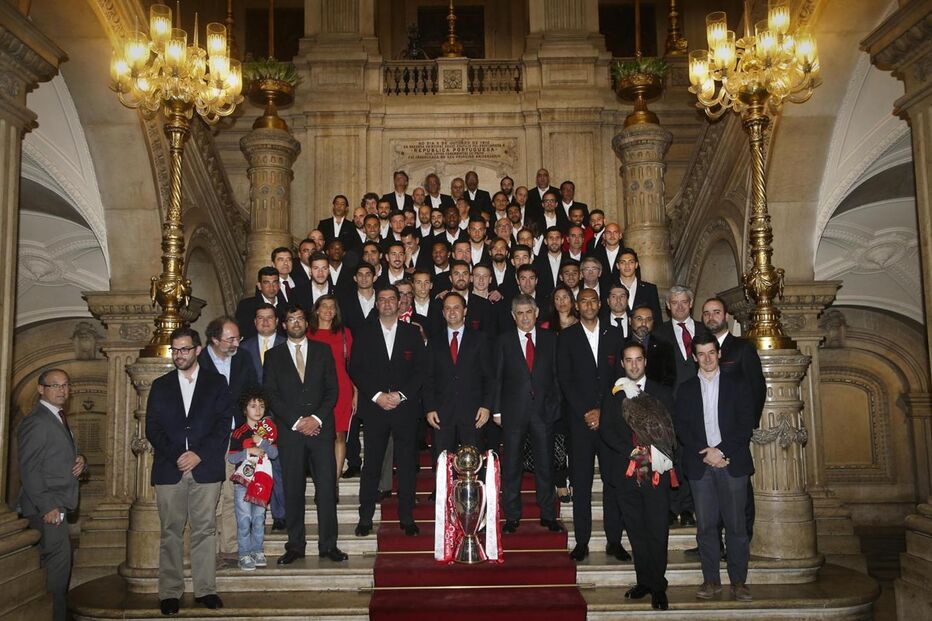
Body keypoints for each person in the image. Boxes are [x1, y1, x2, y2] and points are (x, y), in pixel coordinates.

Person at [146, 327, 233, 614]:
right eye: (175, 350)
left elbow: (223, 425)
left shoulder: (216, 383)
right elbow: (152, 429)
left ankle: (205, 589)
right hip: (169, 469)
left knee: (205, 530)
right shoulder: (160, 385)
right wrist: (178, 455)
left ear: (197, 350)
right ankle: (170, 592)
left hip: (205, 467)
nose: (179, 355)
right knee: (171, 531)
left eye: (184, 349)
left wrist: (198, 454)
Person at [674, 333, 755, 602]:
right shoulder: (684, 390)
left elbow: (745, 425)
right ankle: (711, 581)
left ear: (719, 354)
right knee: (706, 528)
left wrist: (720, 451)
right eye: (702, 354)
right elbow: (682, 429)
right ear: (694, 357)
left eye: (712, 353)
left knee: (736, 527)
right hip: (701, 466)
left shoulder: (738, 384)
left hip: (731, 463)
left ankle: (739, 581)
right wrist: (707, 454)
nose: (707, 359)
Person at [263, 305, 346, 565]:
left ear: (305, 323)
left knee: (326, 489)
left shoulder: (322, 351)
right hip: (291, 433)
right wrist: (297, 422)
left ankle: (329, 545)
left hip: (320, 431)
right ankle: (295, 545)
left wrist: (316, 419)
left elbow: (332, 390)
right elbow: (271, 395)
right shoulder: (273, 356)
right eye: (291, 320)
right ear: (283, 325)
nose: (296, 323)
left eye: (300, 319)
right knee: (293, 490)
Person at [600, 342, 676, 610]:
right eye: (628, 360)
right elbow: (607, 430)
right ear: (622, 363)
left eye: (638, 359)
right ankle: (644, 580)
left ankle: (658, 585)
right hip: (626, 472)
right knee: (636, 530)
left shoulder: (662, 392)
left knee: (657, 529)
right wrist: (632, 451)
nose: (634, 365)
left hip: (656, 472)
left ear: (645, 361)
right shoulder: (613, 395)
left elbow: (672, 430)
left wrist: (655, 455)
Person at [350, 285, 427, 537]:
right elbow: (357, 369)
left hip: (404, 409)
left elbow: (420, 370)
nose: (386, 303)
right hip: (375, 409)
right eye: (381, 299)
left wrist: (400, 395)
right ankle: (365, 518)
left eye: (391, 299)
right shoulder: (364, 333)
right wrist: (377, 396)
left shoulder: (412, 333)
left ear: (400, 302)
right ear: (376, 304)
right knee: (371, 464)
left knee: (406, 465)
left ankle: (407, 517)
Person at [557, 288, 626, 562]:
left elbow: (620, 380)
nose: (588, 304)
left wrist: (603, 412)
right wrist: (587, 412)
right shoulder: (567, 337)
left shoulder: (615, 334)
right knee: (582, 483)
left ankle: (614, 540)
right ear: (577, 305)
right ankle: (582, 541)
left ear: (600, 304)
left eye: (592, 300)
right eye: (583, 300)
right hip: (579, 422)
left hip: (609, 422)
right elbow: (565, 380)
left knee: (612, 482)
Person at [17, 369, 87, 621]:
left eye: (66, 385)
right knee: (56, 576)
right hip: (47, 509)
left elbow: (61, 457)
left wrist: (81, 462)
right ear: (41, 389)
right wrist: (47, 506)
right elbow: (29, 469)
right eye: (55, 386)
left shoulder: (57, 417)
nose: (62, 390)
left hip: (56, 506)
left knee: (59, 572)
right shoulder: (37, 421)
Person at [493, 294, 563, 534]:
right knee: (512, 466)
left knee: (545, 465)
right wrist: (497, 410)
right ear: (513, 316)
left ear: (536, 314)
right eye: (519, 313)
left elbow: (557, 376)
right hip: (513, 413)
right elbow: (497, 378)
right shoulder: (503, 341)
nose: (524, 317)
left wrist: (555, 406)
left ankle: (548, 514)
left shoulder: (552, 339)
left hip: (544, 412)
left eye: (528, 312)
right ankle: (512, 515)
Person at [701, 296, 766, 541]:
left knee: (740, 491)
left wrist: (747, 425)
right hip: (707, 433)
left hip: (734, 434)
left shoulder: (742, 348)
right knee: (711, 492)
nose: (711, 317)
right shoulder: (698, 348)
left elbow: (757, 389)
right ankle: (713, 541)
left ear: (726, 316)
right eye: (706, 313)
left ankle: (741, 542)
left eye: (716, 312)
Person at [198, 316, 259, 559]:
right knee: (212, 495)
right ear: (214, 339)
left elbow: (253, 390)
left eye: (238, 338)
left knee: (236, 493)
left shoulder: (243, 358)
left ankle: (232, 547)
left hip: (239, 437)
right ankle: (210, 549)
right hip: (211, 439)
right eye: (230, 339)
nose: (236, 343)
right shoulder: (200, 361)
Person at [424, 292, 492, 457]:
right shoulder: (434, 341)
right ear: (443, 313)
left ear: (465, 311)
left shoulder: (480, 339)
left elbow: (490, 377)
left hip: (474, 413)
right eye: (447, 308)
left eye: (456, 308)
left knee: (474, 464)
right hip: (442, 414)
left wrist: (487, 406)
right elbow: (428, 378)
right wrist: (430, 408)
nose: (452, 312)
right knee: (443, 467)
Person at [239, 303, 288, 531]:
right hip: (252, 417)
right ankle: (254, 513)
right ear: (254, 322)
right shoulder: (244, 347)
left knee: (277, 465)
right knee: (254, 464)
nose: (266, 322)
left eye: (270, 318)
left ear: (277, 321)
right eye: (261, 318)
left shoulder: (287, 344)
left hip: (280, 415)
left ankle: (281, 515)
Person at [227, 388, 279, 571]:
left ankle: (257, 551)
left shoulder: (267, 431)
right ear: (244, 409)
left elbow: (274, 453)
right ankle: (244, 554)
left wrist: (262, 442)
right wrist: (249, 451)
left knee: (259, 518)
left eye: (261, 406)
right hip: (243, 483)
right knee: (244, 520)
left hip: (262, 481)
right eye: (253, 406)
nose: (257, 410)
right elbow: (231, 458)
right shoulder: (239, 432)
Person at [306, 295, 357, 482]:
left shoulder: (345, 333)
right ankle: (321, 480)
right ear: (317, 310)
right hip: (315, 389)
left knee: (339, 436)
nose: (328, 310)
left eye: (332, 307)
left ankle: (333, 482)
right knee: (317, 437)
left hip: (342, 389)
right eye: (324, 306)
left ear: (336, 312)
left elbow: (353, 364)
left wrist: (356, 392)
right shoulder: (307, 333)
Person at [540, 284, 578, 503]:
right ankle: (560, 483)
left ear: (572, 301)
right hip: (553, 392)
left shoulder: (582, 325)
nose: (562, 301)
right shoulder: (546, 327)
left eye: (566, 297)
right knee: (557, 440)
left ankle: (575, 479)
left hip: (575, 390)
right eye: (558, 298)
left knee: (574, 440)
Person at [235, 266, 285, 340]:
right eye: (266, 283)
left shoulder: (286, 306)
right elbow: (242, 332)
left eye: (274, 283)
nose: (271, 287)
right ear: (259, 286)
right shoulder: (246, 306)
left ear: (279, 285)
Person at [616, 248, 662, 325]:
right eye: (623, 262)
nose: (627, 266)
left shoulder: (650, 289)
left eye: (631, 262)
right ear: (618, 266)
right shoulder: (609, 289)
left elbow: (657, 319)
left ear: (636, 265)